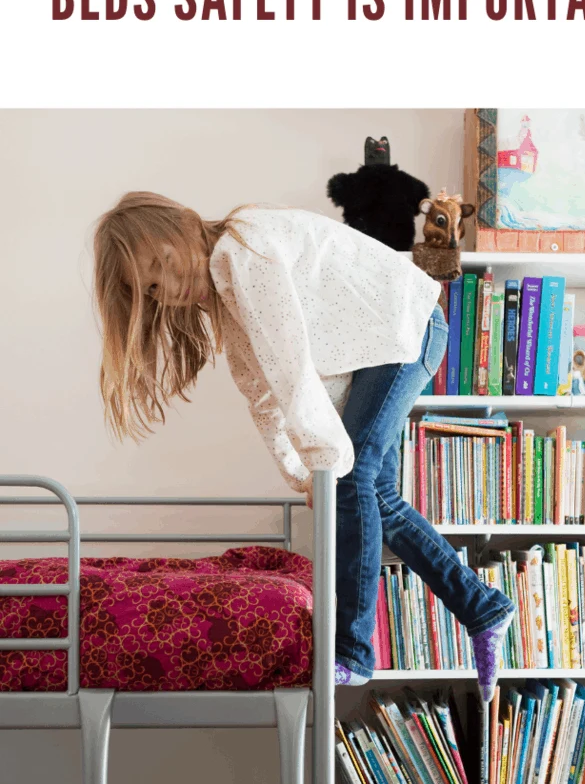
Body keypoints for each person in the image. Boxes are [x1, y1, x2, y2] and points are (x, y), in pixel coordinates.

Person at [93, 191, 514, 700]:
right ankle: (482, 607)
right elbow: (261, 394)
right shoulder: (228, 297)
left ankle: (354, 651)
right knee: (376, 495)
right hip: (384, 347)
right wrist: (300, 474)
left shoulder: (242, 250)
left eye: (163, 265)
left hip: (409, 327)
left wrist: (321, 463)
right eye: (154, 289)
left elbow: (291, 367)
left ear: (184, 225)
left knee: (352, 477)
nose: (170, 290)